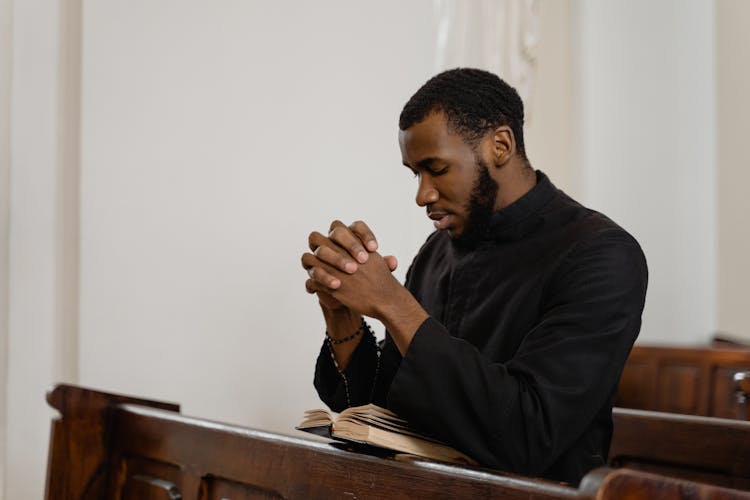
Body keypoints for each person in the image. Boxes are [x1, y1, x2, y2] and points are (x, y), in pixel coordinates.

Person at [300, 68, 648, 485]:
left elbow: (528, 435)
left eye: (437, 169)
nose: (422, 194)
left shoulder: (601, 254)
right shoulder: (436, 253)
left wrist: (394, 304)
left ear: (500, 145)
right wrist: (342, 316)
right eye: (416, 173)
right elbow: (384, 409)